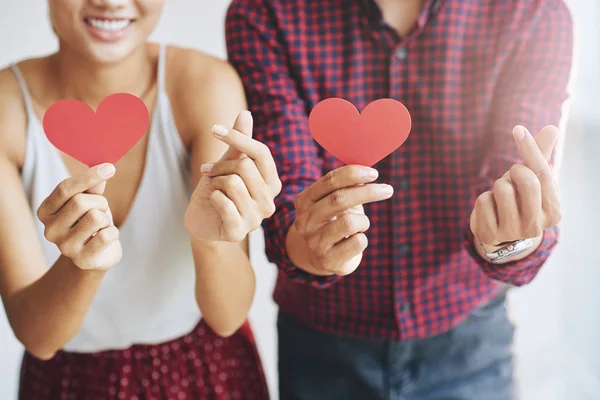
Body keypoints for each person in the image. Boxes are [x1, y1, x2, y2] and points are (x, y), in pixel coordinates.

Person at [224, 0, 573, 398]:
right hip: (322, 350)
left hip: (469, 342)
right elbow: (283, 200)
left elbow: (518, 178)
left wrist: (509, 235)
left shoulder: (534, 12)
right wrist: (315, 246)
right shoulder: (264, 12)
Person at [0, 1, 279, 399]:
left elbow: (228, 316)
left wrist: (209, 240)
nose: (111, 2)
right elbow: (37, 337)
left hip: (205, 370)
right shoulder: (5, 107)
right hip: (66, 382)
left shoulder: (205, 85)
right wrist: (84, 264)